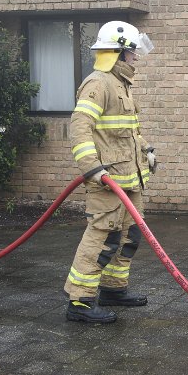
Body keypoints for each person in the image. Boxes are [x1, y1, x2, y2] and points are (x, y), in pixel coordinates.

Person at [64, 20, 157, 323]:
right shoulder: (98, 83)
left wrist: (146, 150)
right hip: (107, 182)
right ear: (119, 52)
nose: (136, 57)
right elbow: (80, 128)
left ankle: (113, 290)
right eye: (133, 52)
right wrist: (92, 168)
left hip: (129, 179)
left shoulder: (121, 84)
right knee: (102, 239)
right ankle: (80, 301)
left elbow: (127, 132)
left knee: (129, 236)